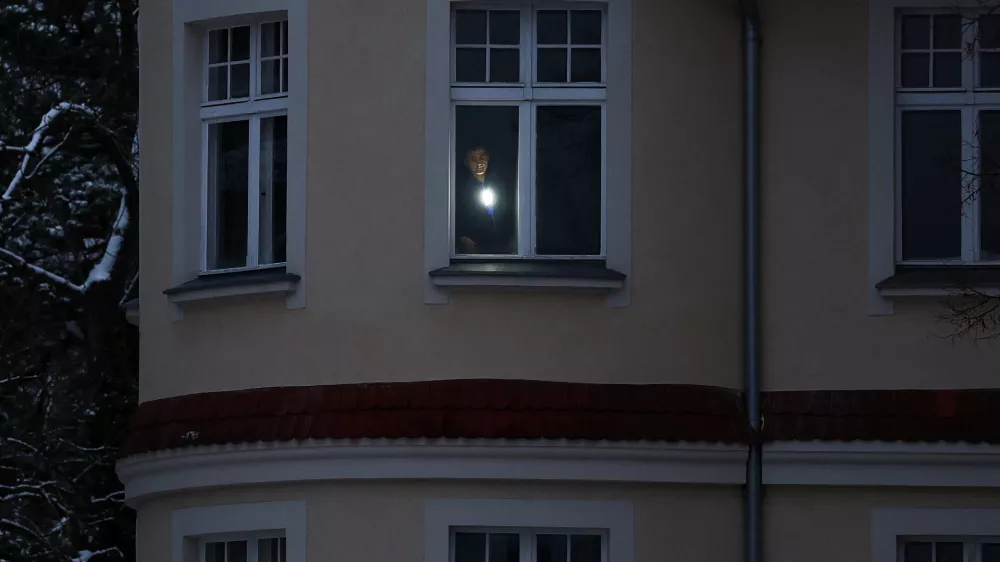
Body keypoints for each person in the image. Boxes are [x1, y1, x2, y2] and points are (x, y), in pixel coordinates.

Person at [455, 146, 516, 254]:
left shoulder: (500, 185)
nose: (479, 163)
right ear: (466, 162)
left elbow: (510, 213)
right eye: (473, 159)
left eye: (482, 158)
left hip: (501, 247)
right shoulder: (459, 190)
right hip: (474, 247)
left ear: (488, 158)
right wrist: (462, 238)